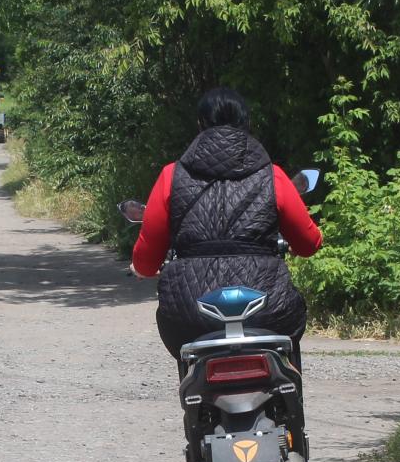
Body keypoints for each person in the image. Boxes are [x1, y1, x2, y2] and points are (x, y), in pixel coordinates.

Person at [129, 86, 323, 364]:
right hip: (267, 308)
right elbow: (309, 244)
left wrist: (141, 266)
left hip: (190, 311)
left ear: (199, 125)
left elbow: (147, 261)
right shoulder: (273, 176)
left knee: (188, 346)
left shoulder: (171, 176)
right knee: (286, 341)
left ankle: (196, 401)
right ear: (248, 124)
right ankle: (291, 400)